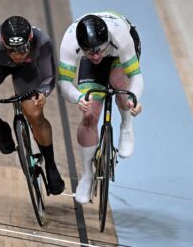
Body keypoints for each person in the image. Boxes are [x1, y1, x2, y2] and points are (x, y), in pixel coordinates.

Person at [0, 16, 65, 195]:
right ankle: (3, 129)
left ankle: (50, 164)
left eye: (22, 49)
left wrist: (43, 93)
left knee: (33, 112)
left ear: (30, 41)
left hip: (28, 70)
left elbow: (49, 77)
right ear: (3, 44)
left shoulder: (43, 42)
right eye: (12, 50)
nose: (17, 55)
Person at [58, 11, 144, 204]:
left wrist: (134, 99)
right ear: (81, 47)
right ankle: (87, 175)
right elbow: (64, 84)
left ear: (106, 40)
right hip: (100, 53)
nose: (96, 56)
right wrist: (78, 97)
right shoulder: (70, 42)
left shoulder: (120, 36)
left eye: (99, 50)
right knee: (89, 116)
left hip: (117, 54)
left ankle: (126, 125)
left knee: (120, 85)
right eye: (90, 52)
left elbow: (136, 77)